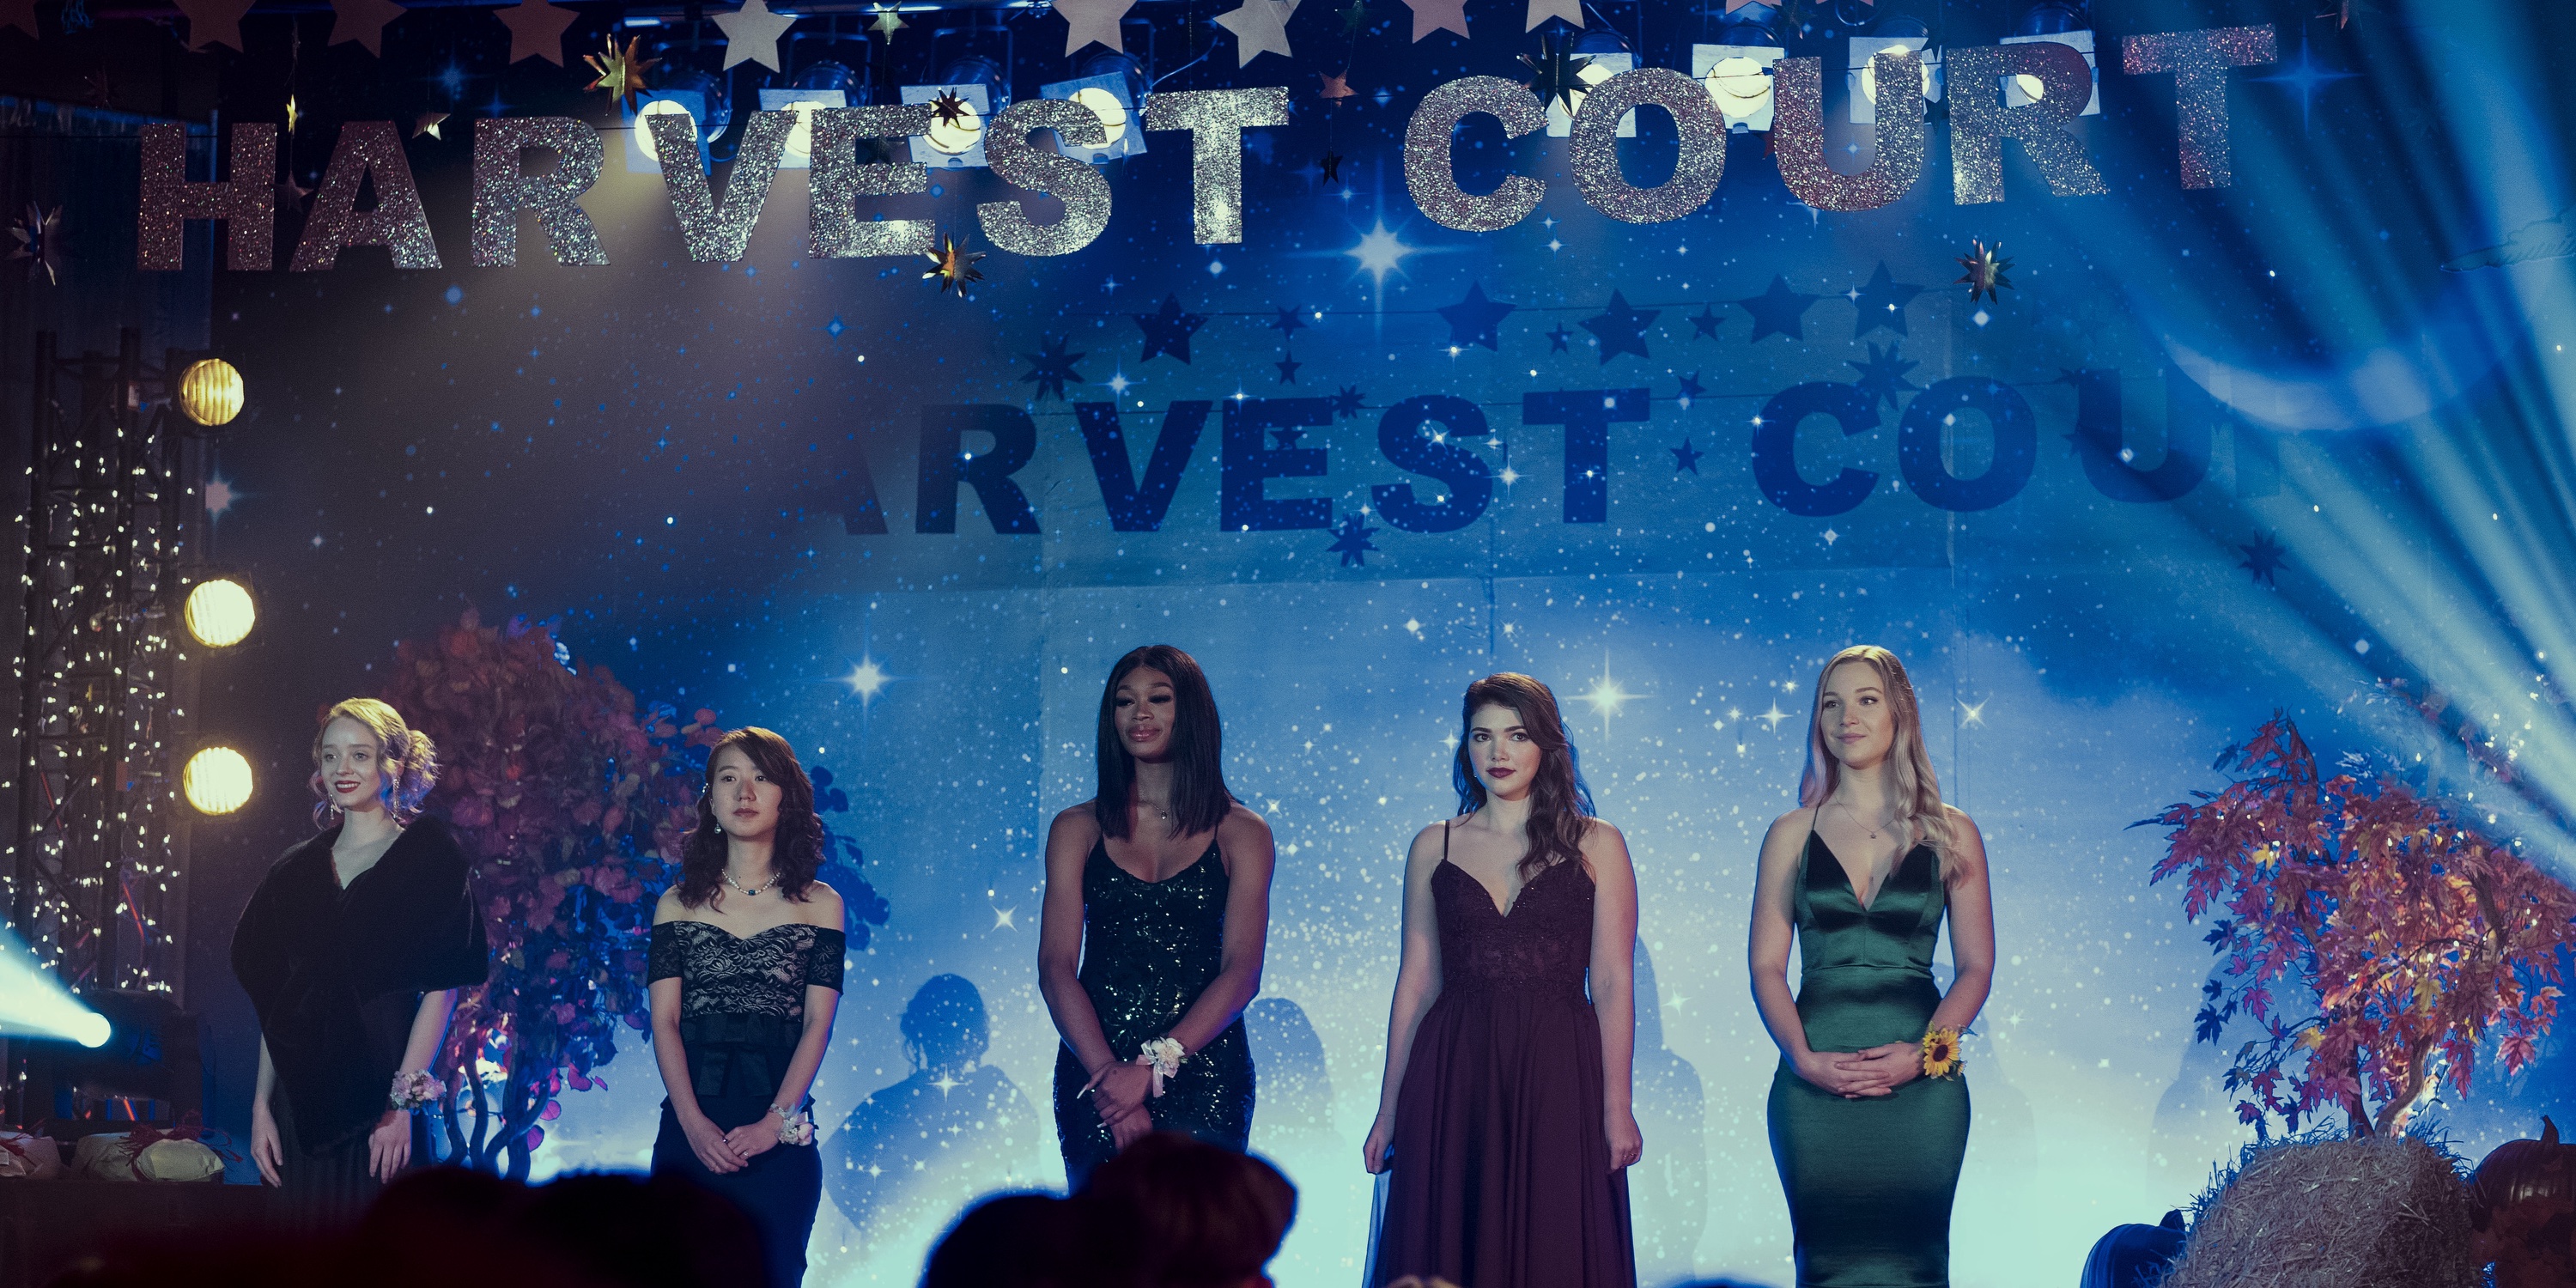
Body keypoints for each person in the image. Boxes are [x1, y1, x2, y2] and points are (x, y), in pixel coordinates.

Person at [1364, 673, 1642, 1288]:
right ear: (1465, 747)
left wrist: (1616, 1106)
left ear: (1546, 743)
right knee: (1449, 1244)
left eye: (1516, 735)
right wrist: (1388, 1110)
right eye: (1482, 736)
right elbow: (1416, 982)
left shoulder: (1599, 844)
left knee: (1556, 1244)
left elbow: (1615, 984)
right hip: (1453, 1070)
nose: (1498, 753)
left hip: (1558, 1070)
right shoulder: (1433, 845)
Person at [1750, 646, 1996, 1287]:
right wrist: (1804, 1061)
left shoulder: (1953, 831)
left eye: (1865, 699)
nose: (1846, 717)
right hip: (1812, 1088)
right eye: (1831, 703)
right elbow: (1765, 968)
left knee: (1916, 1266)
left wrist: (1924, 1053)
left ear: (1900, 713)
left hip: (1924, 1089)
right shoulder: (1790, 832)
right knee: (1823, 1265)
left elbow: (1975, 967)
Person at [232, 698, 487, 1218]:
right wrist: (261, 1105)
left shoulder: (430, 858)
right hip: (302, 1100)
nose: (341, 770)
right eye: (330, 757)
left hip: (383, 1090)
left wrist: (401, 1105)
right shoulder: (292, 871)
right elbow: (276, 1001)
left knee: (376, 1253)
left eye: (359, 755)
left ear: (395, 764)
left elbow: (443, 991)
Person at [1040, 645, 1275, 1188]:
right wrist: (1109, 1078)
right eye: (1125, 702)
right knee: (1104, 1249)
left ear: (1189, 711)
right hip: (1095, 1066)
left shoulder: (1243, 832)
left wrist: (1150, 1069)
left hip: (1202, 1066)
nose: (1139, 713)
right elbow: (1055, 967)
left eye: (1158, 699)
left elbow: (1241, 972)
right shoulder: (1076, 828)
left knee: (1199, 1249)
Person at [648, 726, 848, 1288]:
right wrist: (692, 1124)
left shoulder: (822, 904)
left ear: (787, 795)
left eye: (761, 777)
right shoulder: (676, 904)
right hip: (691, 1132)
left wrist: (775, 1123)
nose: (745, 792)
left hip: (779, 1140)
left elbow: (817, 1025)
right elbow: (663, 1022)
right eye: (729, 778)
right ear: (710, 799)